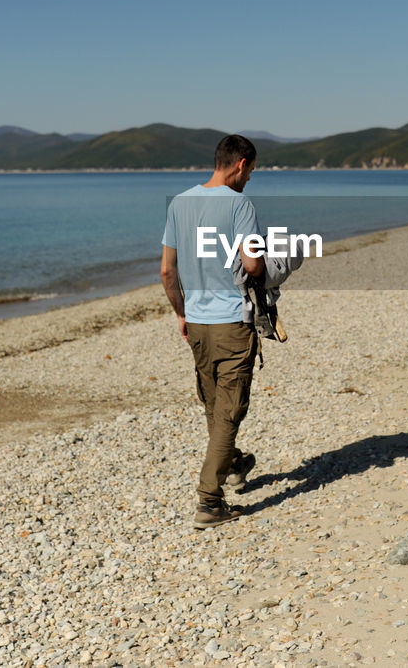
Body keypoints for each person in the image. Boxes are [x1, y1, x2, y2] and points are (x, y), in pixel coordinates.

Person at [161, 134, 264, 529]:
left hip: (199, 323)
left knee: (214, 405)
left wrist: (182, 313)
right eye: (251, 171)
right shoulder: (240, 204)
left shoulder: (180, 203)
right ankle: (209, 500)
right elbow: (252, 266)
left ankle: (234, 464)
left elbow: (167, 271)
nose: (249, 179)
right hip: (231, 322)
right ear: (240, 164)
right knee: (230, 410)